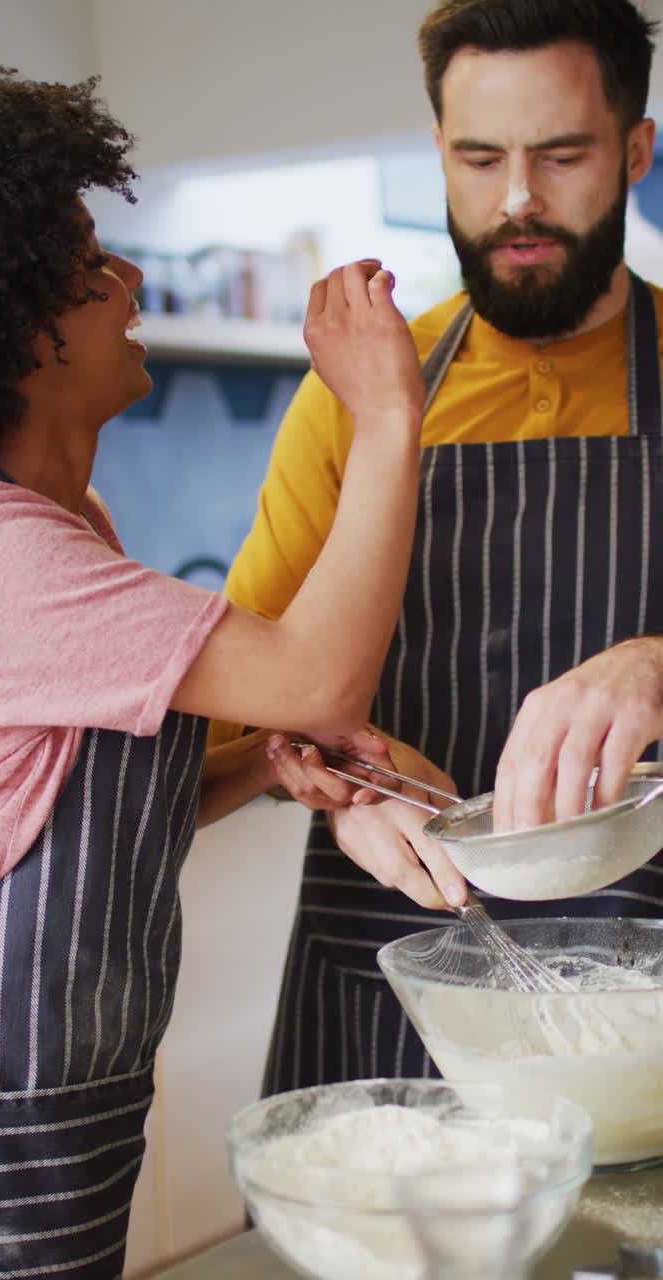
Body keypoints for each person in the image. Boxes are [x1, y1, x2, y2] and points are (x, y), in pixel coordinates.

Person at [0, 67, 428, 1278]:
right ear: (8, 313)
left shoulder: (66, 525)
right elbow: (320, 678)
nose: (132, 282)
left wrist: (263, 762)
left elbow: (88, 797)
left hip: (65, 1101)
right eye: (90, 261)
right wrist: (382, 416)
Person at [207, 0, 663, 1096]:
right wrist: (328, 773)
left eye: (560, 156)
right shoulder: (360, 393)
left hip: (644, 999)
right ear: (438, 155)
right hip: (394, 977)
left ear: (638, 150)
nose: (517, 201)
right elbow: (239, 718)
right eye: (479, 157)